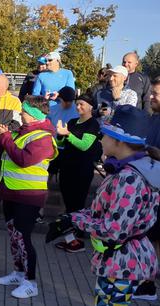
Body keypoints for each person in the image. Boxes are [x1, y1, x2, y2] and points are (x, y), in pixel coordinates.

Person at [56, 105, 158, 305]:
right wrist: (72, 218)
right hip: (122, 261)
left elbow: (114, 230)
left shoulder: (128, 178)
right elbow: (106, 211)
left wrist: (77, 221)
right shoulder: (133, 170)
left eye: (105, 135)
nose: (101, 140)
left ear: (120, 141)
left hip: (122, 262)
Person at [0, 95, 57, 299]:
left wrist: (6, 139)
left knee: (23, 237)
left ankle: (31, 282)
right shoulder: (21, 132)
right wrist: (0, 138)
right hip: (11, 191)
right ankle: (18, 272)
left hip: (29, 196)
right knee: (13, 235)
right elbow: (1, 155)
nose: (21, 114)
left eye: (24, 111)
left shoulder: (44, 138)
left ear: (34, 114)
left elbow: (23, 159)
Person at [53, 94, 101, 253]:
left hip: (82, 170)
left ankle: (78, 240)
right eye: (77, 104)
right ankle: (70, 240)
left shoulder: (93, 124)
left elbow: (85, 145)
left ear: (90, 107)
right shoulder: (73, 121)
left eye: (82, 104)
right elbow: (61, 143)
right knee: (68, 205)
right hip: (67, 167)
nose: (78, 107)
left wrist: (68, 134)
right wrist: (60, 134)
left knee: (77, 205)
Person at [133, 76, 160, 301]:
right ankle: (148, 284)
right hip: (150, 189)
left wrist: (149, 151)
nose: (151, 97)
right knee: (150, 237)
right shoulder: (153, 118)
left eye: (156, 95)